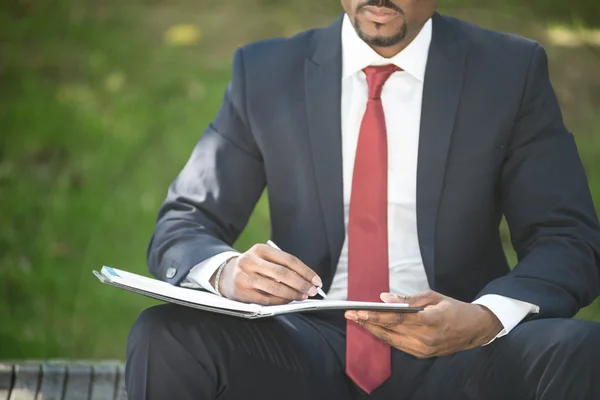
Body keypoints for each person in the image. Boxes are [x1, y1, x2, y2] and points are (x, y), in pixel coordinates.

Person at [125, 0, 600, 399]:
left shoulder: (508, 72)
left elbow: (567, 237)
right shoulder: (267, 73)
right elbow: (186, 220)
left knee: (583, 349)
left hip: (459, 345)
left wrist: (485, 318)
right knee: (165, 334)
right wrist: (227, 271)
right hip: (304, 341)